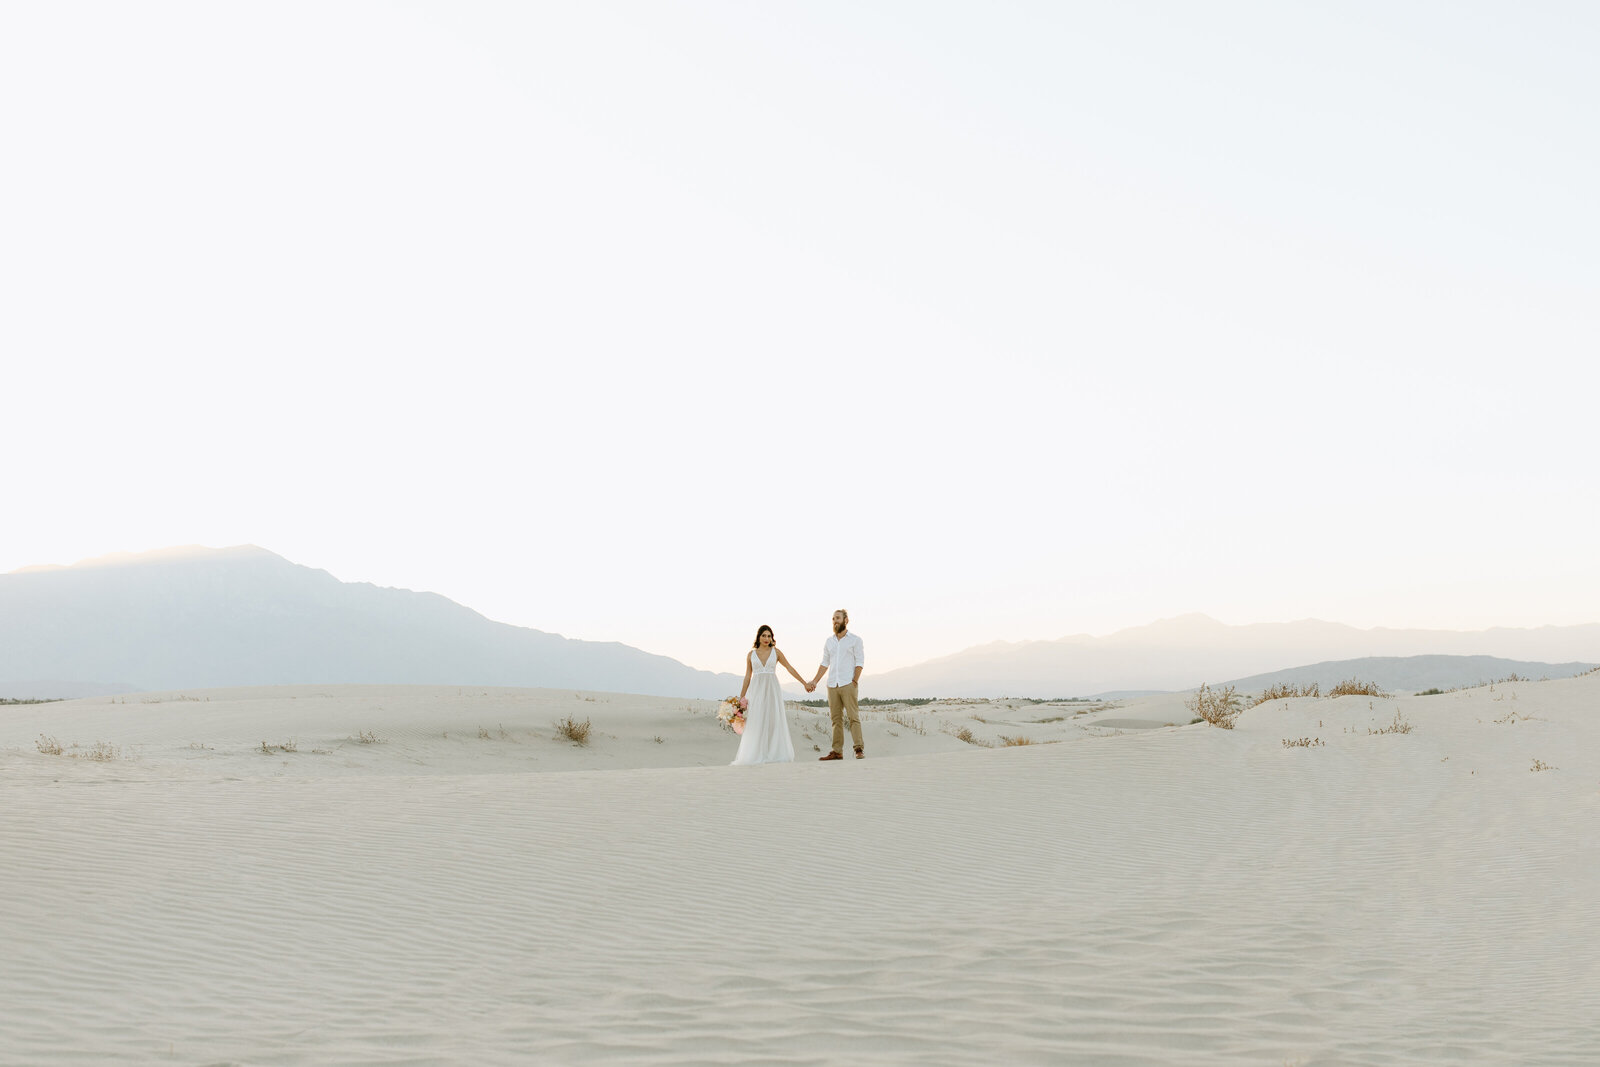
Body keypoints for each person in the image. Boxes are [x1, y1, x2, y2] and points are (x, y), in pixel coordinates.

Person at [730, 624, 808, 765]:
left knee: (773, 720)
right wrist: (741, 697)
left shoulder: (776, 652)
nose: (767, 638)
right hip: (757, 690)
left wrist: (804, 682)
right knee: (757, 719)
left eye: (769, 636)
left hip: (772, 690)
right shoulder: (751, 655)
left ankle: (773, 753)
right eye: (764, 635)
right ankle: (756, 753)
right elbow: (748, 676)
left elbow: (789, 668)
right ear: (758, 637)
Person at [809, 609, 864, 760]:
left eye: (838, 618)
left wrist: (854, 681)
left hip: (848, 683)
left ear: (846, 620)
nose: (835, 621)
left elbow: (859, 662)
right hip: (832, 684)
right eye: (833, 619)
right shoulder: (829, 641)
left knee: (853, 717)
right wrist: (815, 681)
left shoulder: (855, 640)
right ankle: (837, 751)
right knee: (836, 719)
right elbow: (824, 663)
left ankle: (858, 748)